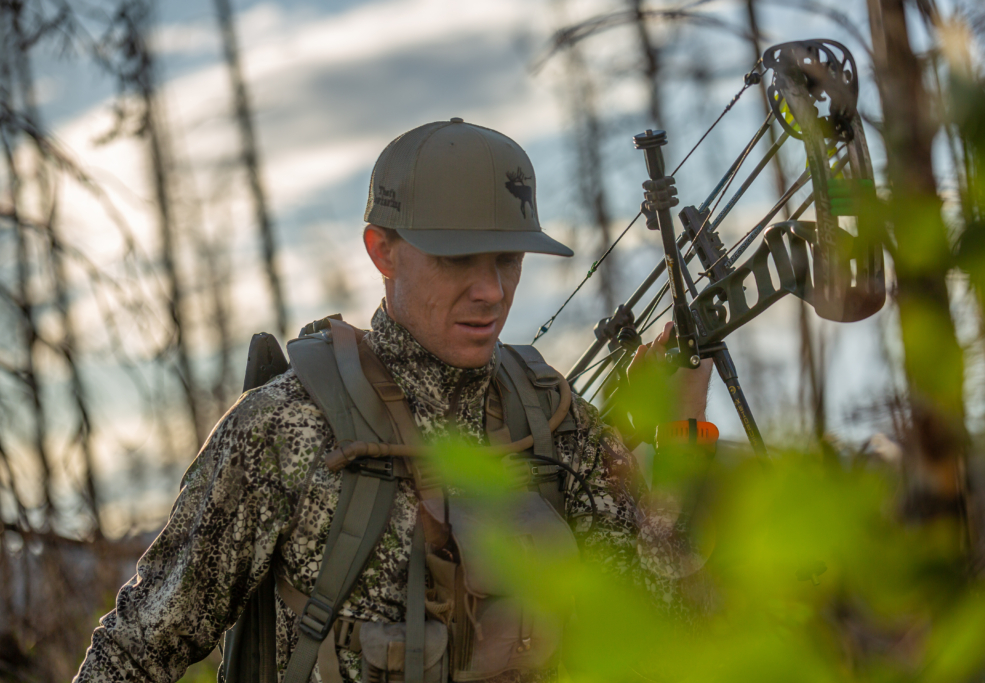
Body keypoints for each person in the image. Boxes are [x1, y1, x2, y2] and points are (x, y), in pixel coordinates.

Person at [74, 118, 714, 683]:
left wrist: (680, 428)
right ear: (383, 250)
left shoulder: (551, 419)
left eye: (507, 259)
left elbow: (668, 619)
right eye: (458, 260)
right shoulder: (286, 428)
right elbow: (135, 651)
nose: (490, 291)